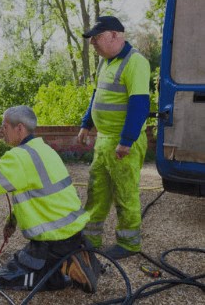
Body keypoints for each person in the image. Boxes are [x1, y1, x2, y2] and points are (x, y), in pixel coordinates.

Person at [0, 105, 100, 293]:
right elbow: (37, 196)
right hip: (72, 232)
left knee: (4, 278)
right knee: (29, 268)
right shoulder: (44, 150)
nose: (1, 131)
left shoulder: (20, 157)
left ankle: (68, 264)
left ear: (19, 128)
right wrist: (12, 221)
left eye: (4, 126)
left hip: (53, 241)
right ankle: (71, 258)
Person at [78, 16, 151, 259]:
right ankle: (90, 239)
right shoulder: (104, 63)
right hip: (104, 140)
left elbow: (139, 105)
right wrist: (86, 124)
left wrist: (127, 141)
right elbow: (97, 96)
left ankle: (129, 244)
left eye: (96, 38)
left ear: (114, 35)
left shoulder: (136, 62)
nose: (93, 44)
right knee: (97, 191)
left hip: (123, 143)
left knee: (125, 193)